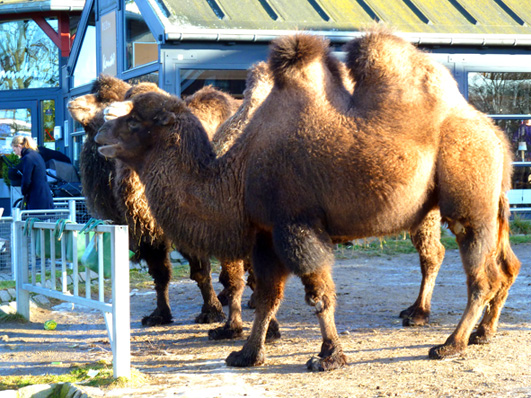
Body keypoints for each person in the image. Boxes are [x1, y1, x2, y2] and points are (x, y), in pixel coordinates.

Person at [11, 135, 54, 210]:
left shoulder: (28, 158)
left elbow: (26, 179)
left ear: (19, 146)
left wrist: (24, 191)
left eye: (15, 150)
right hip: (45, 195)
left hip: (36, 197)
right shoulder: (36, 155)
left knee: (34, 220)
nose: (16, 153)